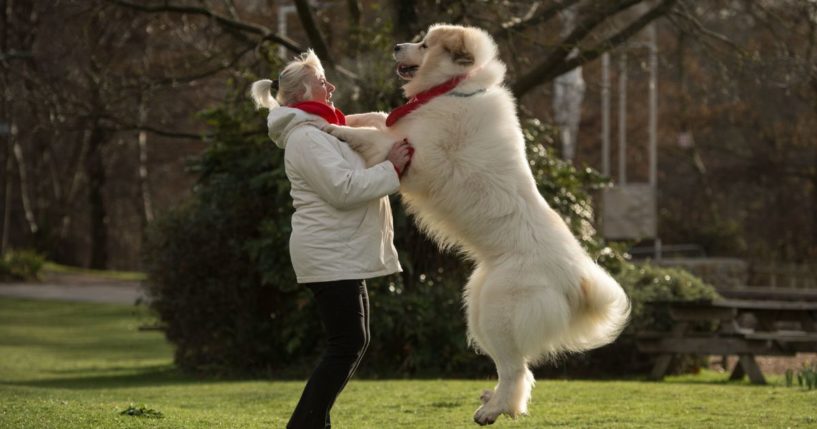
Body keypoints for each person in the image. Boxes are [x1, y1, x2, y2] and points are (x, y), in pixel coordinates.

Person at [252, 50, 412, 429]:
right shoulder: (305, 138)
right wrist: (393, 168)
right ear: (306, 92)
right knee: (347, 345)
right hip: (328, 255)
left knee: (353, 342)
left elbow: (363, 137)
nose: (332, 87)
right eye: (324, 82)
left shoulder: (322, 131)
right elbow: (343, 189)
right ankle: (305, 424)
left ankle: (313, 422)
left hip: (341, 254)